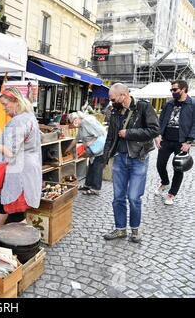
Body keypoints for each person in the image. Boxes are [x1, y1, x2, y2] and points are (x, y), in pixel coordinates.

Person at [102, 83, 160, 243]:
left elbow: (155, 130)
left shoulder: (143, 107)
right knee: (118, 197)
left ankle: (135, 229)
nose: (111, 102)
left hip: (138, 158)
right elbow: (111, 136)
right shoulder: (115, 110)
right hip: (120, 157)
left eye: (112, 99)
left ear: (123, 95)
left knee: (134, 197)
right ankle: (120, 229)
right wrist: (105, 156)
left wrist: (130, 133)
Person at [0, 87, 42, 230]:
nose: (4, 109)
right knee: (10, 210)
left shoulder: (19, 121)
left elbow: (10, 152)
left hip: (19, 172)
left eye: (6, 104)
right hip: (27, 170)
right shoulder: (30, 117)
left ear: (16, 102)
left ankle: (13, 242)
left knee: (14, 213)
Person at [154, 80, 195, 205]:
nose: (172, 92)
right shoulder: (169, 104)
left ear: (183, 89)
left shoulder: (192, 104)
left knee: (179, 169)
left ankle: (171, 194)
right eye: (171, 90)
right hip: (166, 140)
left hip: (182, 142)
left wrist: (189, 141)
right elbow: (161, 120)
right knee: (160, 164)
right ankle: (165, 182)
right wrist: (158, 135)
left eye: (175, 90)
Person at [67, 111, 107, 195]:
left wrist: (92, 143)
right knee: (91, 167)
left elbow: (101, 132)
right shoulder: (81, 126)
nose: (73, 123)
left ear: (78, 118)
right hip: (92, 150)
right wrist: (68, 149)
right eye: (72, 122)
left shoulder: (87, 122)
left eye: (74, 120)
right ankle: (88, 185)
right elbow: (76, 139)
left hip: (99, 149)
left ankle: (96, 189)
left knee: (97, 168)